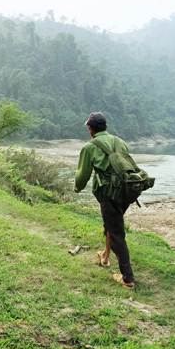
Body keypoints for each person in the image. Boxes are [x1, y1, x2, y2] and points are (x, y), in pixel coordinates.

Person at [74, 112, 136, 288]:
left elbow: (83, 173)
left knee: (116, 232)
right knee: (111, 223)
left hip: (108, 192)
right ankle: (105, 256)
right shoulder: (120, 141)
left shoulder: (89, 147)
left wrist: (78, 187)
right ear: (106, 127)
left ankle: (128, 278)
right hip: (126, 191)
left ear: (90, 129)